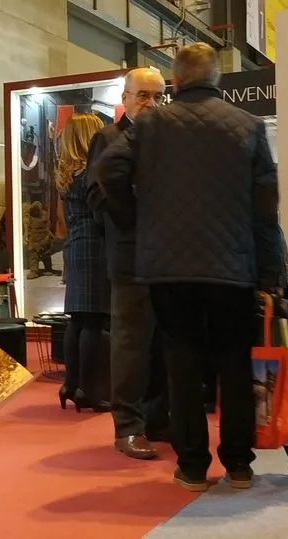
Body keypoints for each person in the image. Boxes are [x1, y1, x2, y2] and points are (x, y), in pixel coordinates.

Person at [95, 43, 283, 492]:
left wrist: (138, 218)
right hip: (233, 266)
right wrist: (270, 275)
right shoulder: (249, 126)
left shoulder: (152, 124)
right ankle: (238, 464)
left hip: (169, 267)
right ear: (217, 80)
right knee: (234, 366)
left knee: (181, 363)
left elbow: (107, 172)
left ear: (174, 82)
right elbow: (265, 210)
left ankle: (193, 467)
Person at [87, 67, 168, 459]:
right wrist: (134, 218)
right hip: (130, 255)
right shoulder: (107, 138)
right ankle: (128, 426)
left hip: (168, 256)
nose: (150, 103)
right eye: (143, 95)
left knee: (162, 342)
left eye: (157, 95)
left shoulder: (170, 139)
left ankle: (156, 418)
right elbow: (95, 195)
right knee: (131, 342)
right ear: (125, 97)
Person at [56, 112, 111, 413]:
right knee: (93, 321)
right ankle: (88, 389)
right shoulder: (90, 172)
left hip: (75, 246)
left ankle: (70, 383)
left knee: (77, 320)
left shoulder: (66, 174)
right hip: (94, 246)